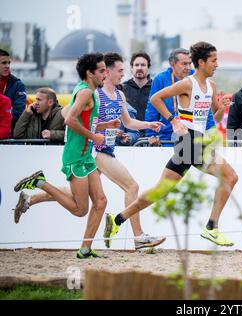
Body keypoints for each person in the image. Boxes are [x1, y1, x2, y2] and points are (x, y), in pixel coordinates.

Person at [104, 41, 239, 247]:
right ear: (201, 62)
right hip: (189, 141)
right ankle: (211, 227)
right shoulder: (187, 83)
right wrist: (173, 120)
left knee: (160, 191)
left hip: (195, 141)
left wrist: (221, 108)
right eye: (214, 60)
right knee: (230, 176)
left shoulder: (211, 86)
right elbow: (156, 98)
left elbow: (212, 116)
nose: (217, 64)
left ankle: (117, 219)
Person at [13, 52, 120, 258]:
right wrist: (93, 136)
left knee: (101, 202)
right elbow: (69, 120)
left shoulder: (86, 90)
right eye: (101, 71)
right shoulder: (86, 93)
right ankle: (40, 182)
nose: (105, 74)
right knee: (80, 210)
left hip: (86, 155)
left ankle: (85, 249)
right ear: (90, 73)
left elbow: (78, 118)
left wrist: (106, 126)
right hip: (76, 156)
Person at [93, 52, 165, 249]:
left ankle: (35, 192)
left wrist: (149, 124)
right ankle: (139, 236)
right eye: (120, 70)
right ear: (107, 72)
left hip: (106, 149)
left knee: (76, 197)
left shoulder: (119, 95)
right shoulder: (95, 94)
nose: (123, 74)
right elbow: (74, 119)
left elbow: (129, 122)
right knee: (132, 187)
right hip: (95, 150)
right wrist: (105, 127)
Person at [145, 48, 216, 147]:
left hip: (195, 134)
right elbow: (152, 108)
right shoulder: (160, 79)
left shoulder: (196, 77)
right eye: (184, 64)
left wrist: (211, 132)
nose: (188, 67)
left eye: (189, 63)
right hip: (166, 136)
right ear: (172, 64)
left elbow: (205, 109)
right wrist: (151, 135)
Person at [121, 52, 152, 125]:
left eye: (143, 65)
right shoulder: (122, 88)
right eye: (136, 65)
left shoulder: (155, 88)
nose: (139, 68)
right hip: (129, 133)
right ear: (132, 68)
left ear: (148, 68)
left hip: (151, 131)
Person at [0, 49, 26, 134]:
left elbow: (19, 112)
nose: (7, 66)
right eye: (4, 63)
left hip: (11, 136)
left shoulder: (18, 84)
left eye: (9, 63)